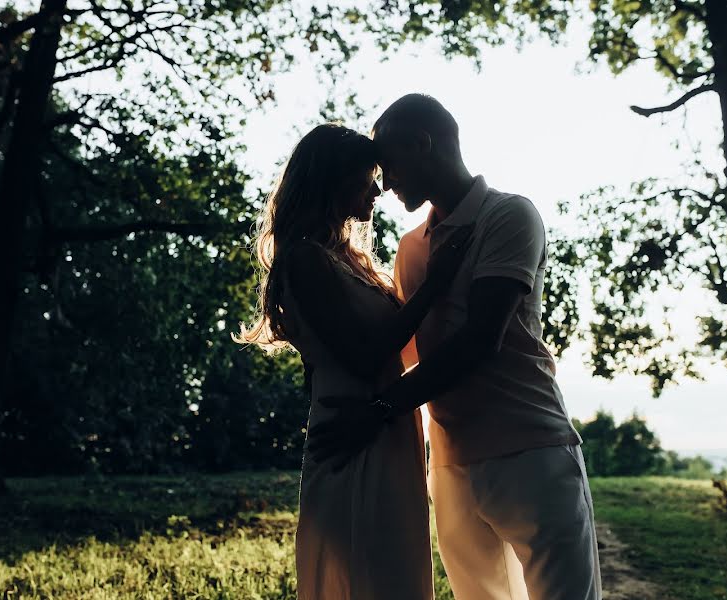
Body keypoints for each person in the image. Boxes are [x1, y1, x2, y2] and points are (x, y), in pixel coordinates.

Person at [309, 94, 603, 600]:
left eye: (388, 164)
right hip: (450, 467)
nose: (383, 182)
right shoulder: (410, 248)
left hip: (531, 450)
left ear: (422, 144)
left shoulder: (509, 216)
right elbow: (404, 350)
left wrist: (378, 410)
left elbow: (477, 341)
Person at [236, 123, 470, 600]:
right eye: (368, 178)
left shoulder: (346, 258)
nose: (378, 191)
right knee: (367, 572)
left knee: (393, 572)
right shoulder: (304, 259)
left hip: (387, 426)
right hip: (351, 428)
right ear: (333, 180)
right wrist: (433, 286)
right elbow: (364, 357)